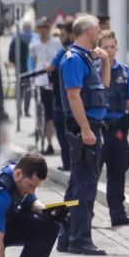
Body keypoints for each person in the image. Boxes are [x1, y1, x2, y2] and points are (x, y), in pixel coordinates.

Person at [56, 14, 111, 256]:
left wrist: (106, 62)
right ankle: (80, 239)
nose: (100, 32)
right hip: (84, 127)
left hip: (90, 125)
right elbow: (73, 96)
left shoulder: (87, 58)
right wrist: (86, 128)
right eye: (97, 29)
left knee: (76, 184)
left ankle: (67, 237)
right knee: (85, 186)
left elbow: (103, 88)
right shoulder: (74, 60)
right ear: (89, 32)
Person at [98, 30, 129, 228]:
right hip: (99, 128)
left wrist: (124, 128)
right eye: (105, 47)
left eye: (112, 47)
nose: (109, 51)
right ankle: (84, 215)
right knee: (92, 174)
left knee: (118, 174)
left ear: (117, 48)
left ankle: (118, 214)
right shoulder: (94, 70)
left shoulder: (124, 71)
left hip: (118, 129)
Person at [29, 18, 62, 155]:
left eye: (45, 28)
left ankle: (50, 142)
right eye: (40, 28)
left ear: (49, 29)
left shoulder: (56, 43)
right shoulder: (34, 46)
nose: (43, 31)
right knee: (43, 113)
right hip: (40, 81)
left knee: (52, 114)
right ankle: (44, 140)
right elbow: (34, 61)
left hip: (53, 82)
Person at [49, 16, 75, 171]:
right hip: (72, 105)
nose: (61, 38)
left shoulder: (64, 52)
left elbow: (51, 68)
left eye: (63, 34)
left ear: (72, 34)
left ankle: (67, 164)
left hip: (61, 103)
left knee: (64, 136)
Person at [9, 20, 33, 116]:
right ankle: (26, 111)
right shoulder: (33, 38)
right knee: (27, 89)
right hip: (29, 68)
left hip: (19, 67)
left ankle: (18, 110)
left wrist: (15, 62)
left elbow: (10, 55)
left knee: (19, 88)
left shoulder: (15, 38)